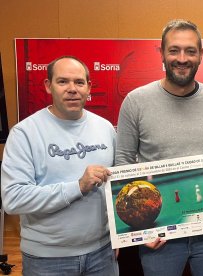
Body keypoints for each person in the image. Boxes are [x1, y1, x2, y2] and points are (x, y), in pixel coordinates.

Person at [115, 19, 203, 276]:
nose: (182, 58)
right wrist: (138, 230)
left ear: (201, 55)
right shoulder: (135, 102)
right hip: (159, 231)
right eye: (174, 50)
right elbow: (123, 163)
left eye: (190, 51)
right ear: (161, 53)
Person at [1, 56, 118, 276]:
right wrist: (78, 187)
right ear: (48, 86)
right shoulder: (24, 133)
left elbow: (116, 186)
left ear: (89, 87)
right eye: (63, 81)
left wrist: (119, 233)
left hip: (102, 254)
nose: (72, 89)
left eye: (79, 82)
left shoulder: (105, 128)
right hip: (47, 259)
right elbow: (13, 200)